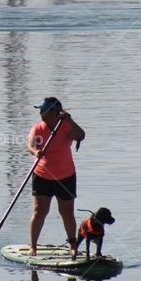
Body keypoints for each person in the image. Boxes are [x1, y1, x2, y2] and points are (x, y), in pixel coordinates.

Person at [26, 97, 85, 257]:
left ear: (54, 112)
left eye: (43, 110)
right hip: (42, 175)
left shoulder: (65, 126)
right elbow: (31, 144)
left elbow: (81, 135)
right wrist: (36, 151)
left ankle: (72, 245)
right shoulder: (38, 128)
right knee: (40, 211)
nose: (40, 113)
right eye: (40, 110)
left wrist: (69, 120)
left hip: (65, 176)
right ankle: (33, 247)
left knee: (66, 212)